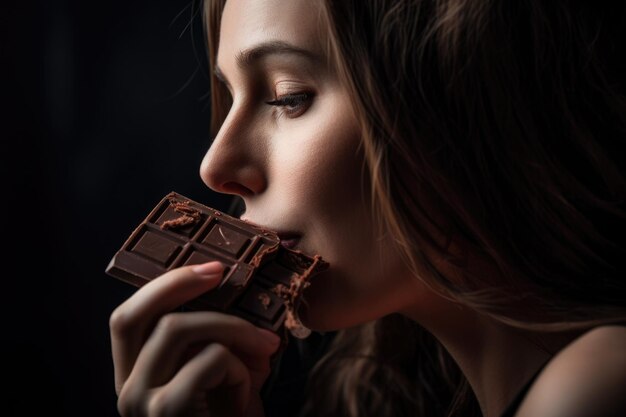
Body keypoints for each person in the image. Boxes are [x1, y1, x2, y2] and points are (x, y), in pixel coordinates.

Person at [109, 0, 626, 416]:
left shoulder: (597, 384)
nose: (215, 165)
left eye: (288, 97)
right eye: (229, 94)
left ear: (461, 103)